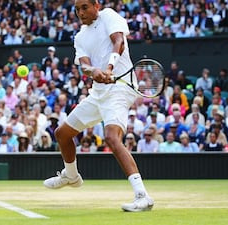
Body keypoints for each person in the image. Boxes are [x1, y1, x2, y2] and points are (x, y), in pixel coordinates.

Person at [43, 0, 153, 212]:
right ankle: (72, 176)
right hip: (98, 93)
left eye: (85, 7)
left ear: (96, 5)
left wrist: (109, 67)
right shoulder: (80, 37)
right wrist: (94, 71)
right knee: (62, 134)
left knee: (112, 137)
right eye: (77, 10)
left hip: (121, 87)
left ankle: (142, 195)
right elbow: (84, 65)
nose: (80, 13)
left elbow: (118, 41)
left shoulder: (109, 16)